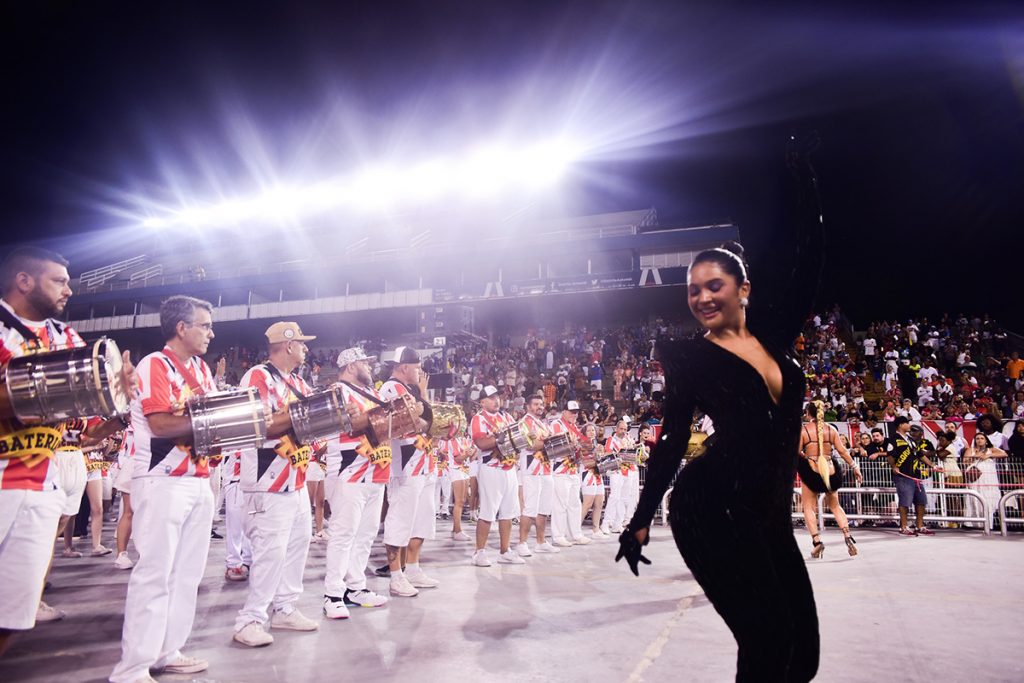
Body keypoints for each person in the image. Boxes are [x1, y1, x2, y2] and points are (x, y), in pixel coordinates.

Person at [617, 137, 824, 681]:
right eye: (693, 291)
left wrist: (803, 177)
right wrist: (641, 520)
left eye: (715, 286)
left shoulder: (777, 335)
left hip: (768, 514)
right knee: (767, 641)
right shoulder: (688, 359)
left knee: (803, 656)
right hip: (710, 509)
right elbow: (668, 441)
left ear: (744, 290)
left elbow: (808, 260)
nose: (702, 298)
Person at [0, 246, 135, 654]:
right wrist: (46, 392)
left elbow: (87, 433)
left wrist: (117, 401)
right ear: (24, 281)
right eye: (59, 281)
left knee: (15, 611)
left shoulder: (67, 338)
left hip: (42, 481)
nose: (70, 290)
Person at [111, 295, 217, 682]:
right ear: (181, 328)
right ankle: (132, 669)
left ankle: (167, 650)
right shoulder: (155, 364)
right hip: (161, 479)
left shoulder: (203, 370)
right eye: (204, 325)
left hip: (198, 478)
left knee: (187, 575)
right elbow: (160, 425)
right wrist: (215, 424)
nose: (211, 332)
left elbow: (204, 424)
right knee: (154, 573)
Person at [232, 322, 321, 647]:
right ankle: (250, 620)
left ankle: (284, 608)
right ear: (287, 345)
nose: (306, 349)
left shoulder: (298, 382)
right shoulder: (258, 376)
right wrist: (306, 414)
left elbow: (310, 418)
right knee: (270, 552)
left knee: (298, 544)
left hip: (295, 479)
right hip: (266, 479)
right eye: (302, 343)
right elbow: (260, 424)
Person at [321, 347, 391, 619]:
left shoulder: (373, 394)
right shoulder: (337, 390)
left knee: (366, 534)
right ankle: (332, 593)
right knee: (343, 533)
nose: (370, 366)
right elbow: (349, 424)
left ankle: (356, 587)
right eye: (365, 362)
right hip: (349, 469)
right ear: (350, 366)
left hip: (376, 470)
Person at [379, 347, 439, 596]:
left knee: (421, 519)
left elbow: (428, 418)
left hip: (423, 461)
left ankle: (413, 568)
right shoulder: (390, 388)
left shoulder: (412, 390)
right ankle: (395, 576)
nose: (420, 372)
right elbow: (413, 421)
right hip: (404, 464)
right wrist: (425, 420)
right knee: (400, 520)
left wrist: (424, 415)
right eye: (416, 367)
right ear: (403, 367)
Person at [797, 402, 863, 558]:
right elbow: (842, 451)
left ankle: (817, 542)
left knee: (809, 507)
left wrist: (806, 456)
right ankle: (847, 535)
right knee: (835, 506)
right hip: (830, 469)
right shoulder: (831, 429)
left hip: (811, 470)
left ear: (808, 413)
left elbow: (795, 450)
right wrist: (855, 467)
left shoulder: (804, 430)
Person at [470, 385, 522, 566]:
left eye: (497, 397)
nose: (496, 400)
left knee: (507, 513)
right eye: (491, 398)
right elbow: (481, 443)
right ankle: (479, 553)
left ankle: (504, 551)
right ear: (482, 402)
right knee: (487, 513)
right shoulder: (478, 419)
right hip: (491, 468)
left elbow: (517, 437)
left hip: (509, 468)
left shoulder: (506, 416)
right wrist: (500, 438)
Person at [516, 392, 557, 556]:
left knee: (544, 507)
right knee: (530, 507)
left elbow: (542, 443)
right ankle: (522, 543)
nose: (539, 407)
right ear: (528, 406)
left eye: (541, 404)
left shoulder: (543, 424)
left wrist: (548, 442)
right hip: (532, 468)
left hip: (546, 468)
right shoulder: (524, 422)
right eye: (535, 404)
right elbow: (530, 445)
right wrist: (549, 442)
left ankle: (541, 542)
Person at [548, 400, 591, 546]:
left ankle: (576, 534)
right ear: (564, 412)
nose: (574, 415)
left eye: (576, 412)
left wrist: (585, 447)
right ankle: (558, 535)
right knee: (560, 504)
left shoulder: (574, 427)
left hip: (573, 469)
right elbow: (552, 445)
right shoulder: (556, 425)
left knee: (575, 503)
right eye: (571, 412)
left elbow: (580, 446)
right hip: (560, 469)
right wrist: (572, 445)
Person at [886, 416, 936, 536]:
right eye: (907, 423)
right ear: (900, 425)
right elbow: (890, 455)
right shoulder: (893, 439)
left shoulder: (911, 439)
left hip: (916, 475)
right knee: (905, 502)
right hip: (903, 475)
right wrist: (894, 467)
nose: (909, 425)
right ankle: (903, 527)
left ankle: (920, 526)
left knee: (921, 501)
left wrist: (932, 465)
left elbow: (920, 455)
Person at [962, 433, 1006, 529]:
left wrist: (989, 455)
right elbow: (964, 461)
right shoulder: (970, 450)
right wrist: (975, 456)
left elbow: (1004, 454)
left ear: (986, 440)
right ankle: (973, 524)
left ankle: (988, 523)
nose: (980, 440)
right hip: (975, 478)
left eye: (982, 438)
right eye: (977, 438)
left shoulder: (991, 449)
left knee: (988, 499)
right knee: (974, 498)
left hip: (989, 478)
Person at [601, 420, 637, 534]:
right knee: (614, 497)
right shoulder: (611, 440)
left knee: (624, 499)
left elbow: (634, 453)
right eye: (621, 429)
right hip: (616, 471)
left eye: (625, 429)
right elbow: (606, 454)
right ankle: (606, 524)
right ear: (616, 429)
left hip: (629, 470)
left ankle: (617, 524)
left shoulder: (629, 439)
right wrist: (618, 455)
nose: (623, 431)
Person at [578, 422, 606, 537]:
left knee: (599, 502)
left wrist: (602, 454)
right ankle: (575, 529)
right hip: (587, 474)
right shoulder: (582, 443)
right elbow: (585, 460)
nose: (591, 432)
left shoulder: (596, 444)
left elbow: (599, 460)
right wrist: (597, 453)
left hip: (597, 474)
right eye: (589, 430)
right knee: (587, 503)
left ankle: (596, 529)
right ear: (584, 433)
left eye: (593, 430)